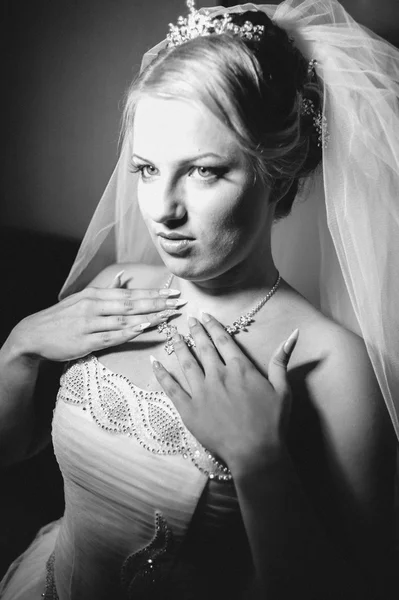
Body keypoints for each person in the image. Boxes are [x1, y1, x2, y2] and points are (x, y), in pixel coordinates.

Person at [0, 0, 398, 598]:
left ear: (279, 175)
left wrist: (258, 461)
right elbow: (11, 452)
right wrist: (20, 348)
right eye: (146, 168)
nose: (162, 209)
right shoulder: (119, 289)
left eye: (205, 171)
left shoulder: (335, 366)